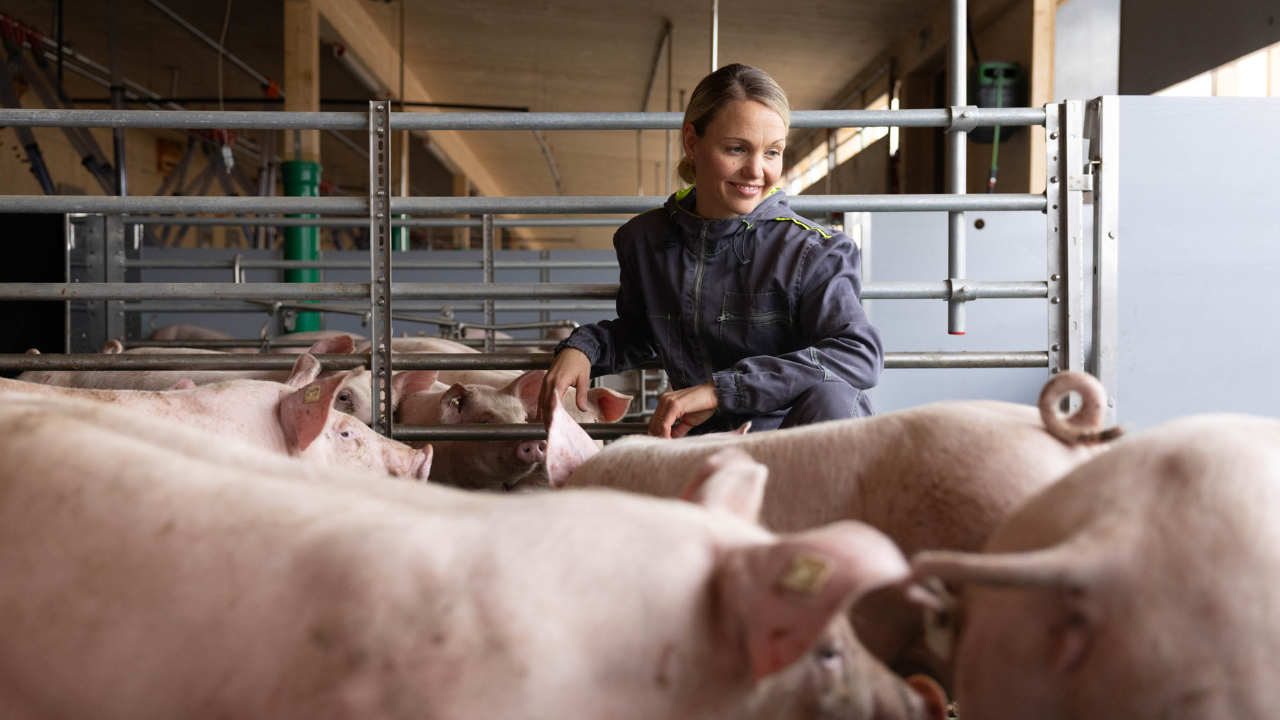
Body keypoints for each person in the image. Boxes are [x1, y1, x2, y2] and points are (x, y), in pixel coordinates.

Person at [539, 63, 883, 438]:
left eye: (772, 152)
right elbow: (639, 332)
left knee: (835, 398)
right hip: (695, 440)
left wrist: (722, 391)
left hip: (795, 442)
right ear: (692, 141)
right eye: (736, 148)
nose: (756, 170)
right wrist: (583, 348)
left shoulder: (813, 250)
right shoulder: (644, 240)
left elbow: (858, 354)